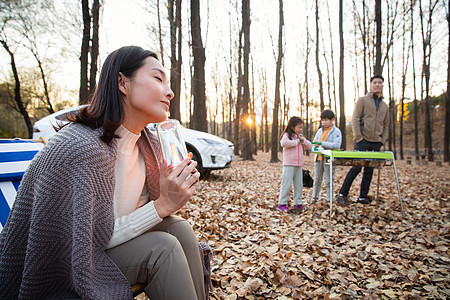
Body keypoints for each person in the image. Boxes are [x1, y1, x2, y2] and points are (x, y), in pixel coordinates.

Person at [0, 46, 206, 300]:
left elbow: (121, 222)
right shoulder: (80, 147)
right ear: (122, 82)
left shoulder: (148, 145)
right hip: (69, 265)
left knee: (179, 229)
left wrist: (169, 196)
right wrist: (162, 205)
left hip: (107, 248)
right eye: (157, 78)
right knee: (163, 249)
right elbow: (79, 243)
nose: (170, 91)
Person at [336, 75, 389, 205]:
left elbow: (386, 125)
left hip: (376, 142)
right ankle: (342, 193)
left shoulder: (384, 106)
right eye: (375, 82)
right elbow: (355, 118)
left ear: (382, 86)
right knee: (356, 167)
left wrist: (382, 140)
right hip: (362, 140)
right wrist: (358, 136)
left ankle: (362, 196)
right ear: (371, 85)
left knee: (369, 169)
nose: (377, 85)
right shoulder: (363, 100)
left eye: (380, 83)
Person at [277, 116, 312, 213]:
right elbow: (283, 143)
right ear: (292, 127)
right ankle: (282, 203)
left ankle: (298, 203)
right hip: (289, 164)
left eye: (301, 127)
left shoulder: (299, 137)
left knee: (299, 184)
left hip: (298, 164)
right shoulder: (287, 135)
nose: (300, 129)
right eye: (299, 127)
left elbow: (309, 146)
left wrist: (303, 140)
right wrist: (296, 142)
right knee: (286, 184)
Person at [311, 110, 342, 204]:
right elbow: (314, 142)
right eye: (322, 120)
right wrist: (315, 146)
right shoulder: (320, 131)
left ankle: (330, 199)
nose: (324, 122)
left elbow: (336, 145)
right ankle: (314, 199)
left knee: (329, 180)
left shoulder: (336, 131)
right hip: (318, 158)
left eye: (326, 120)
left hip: (328, 158)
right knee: (317, 180)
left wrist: (322, 143)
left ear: (332, 120)